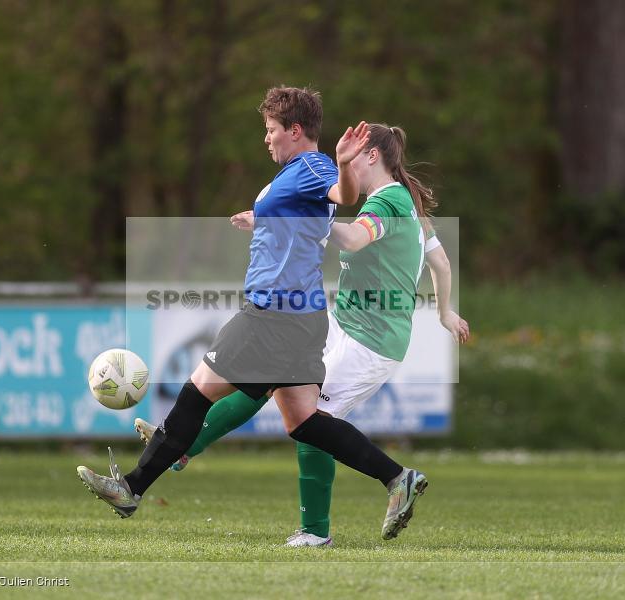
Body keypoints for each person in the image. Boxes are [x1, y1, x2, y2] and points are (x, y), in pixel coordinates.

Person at [77, 88, 429, 541]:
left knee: (196, 394)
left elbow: (341, 194)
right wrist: (262, 219)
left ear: (295, 131)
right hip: (300, 315)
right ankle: (397, 478)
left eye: (271, 130)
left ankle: (132, 487)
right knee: (305, 422)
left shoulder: (314, 166)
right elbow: (307, 222)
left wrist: (342, 164)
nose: (266, 138)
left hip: (273, 312)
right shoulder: (292, 175)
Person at [136, 124, 469, 547]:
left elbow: (352, 239)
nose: (344, 167)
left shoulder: (388, 201)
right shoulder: (408, 204)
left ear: (371, 157)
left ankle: (319, 529)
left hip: (370, 341)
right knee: (272, 381)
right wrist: (444, 311)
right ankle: (185, 443)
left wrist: (292, 217)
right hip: (346, 327)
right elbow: (441, 264)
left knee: (312, 421)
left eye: (352, 156)